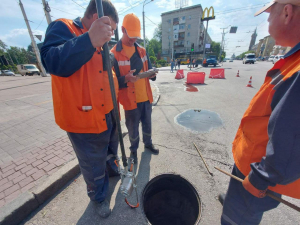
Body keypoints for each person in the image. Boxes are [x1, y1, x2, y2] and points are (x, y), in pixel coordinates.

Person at [220, 1, 300, 224]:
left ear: (287, 11)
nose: (267, 21)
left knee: (237, 219)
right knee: (237, 207)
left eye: (269, 14)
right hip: (251, 167)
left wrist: (260, 178)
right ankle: (232, 203)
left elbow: (293, 139)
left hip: (257, 177)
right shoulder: (292, 61)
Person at [40, 0, 120, 218]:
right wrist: (88, 40)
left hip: (108, 113)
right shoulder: (64, 27)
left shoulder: (105, 45)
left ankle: (113, 171)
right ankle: (99, 198)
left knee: (110, 150)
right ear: (96, 18)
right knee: (93, 166)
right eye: (109, 27)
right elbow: (52, 62)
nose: (110, 34)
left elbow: (109, 75)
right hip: (83, 121)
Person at [111, 13, 159, 164]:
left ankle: (148, 143)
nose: (133, 40)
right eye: (131, 36)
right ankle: (133, 150)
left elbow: (150, 71)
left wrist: (152, 74)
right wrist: (125, 79)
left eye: (136, 37)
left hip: (146, 98)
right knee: (132, 130)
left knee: (147, 124)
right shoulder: (114, 54)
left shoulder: (142, 51)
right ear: (122, 29)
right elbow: (112, 82)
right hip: (130, 102)